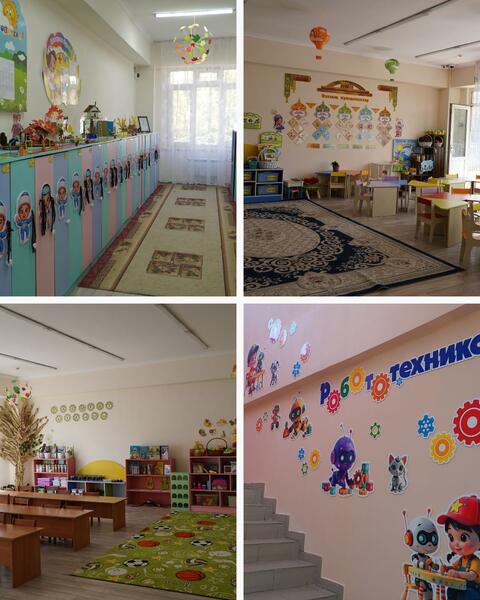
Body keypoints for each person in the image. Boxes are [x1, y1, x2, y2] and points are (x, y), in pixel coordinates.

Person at [438, 495, 480, 599]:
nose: (456, 544)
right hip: (461, 588)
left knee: (467, 595)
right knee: (451, 590)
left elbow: (472, 576)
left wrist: (457, 574)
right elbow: (455, 568)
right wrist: (447, 568)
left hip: (473, 591)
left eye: (463, 538)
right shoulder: (461, 560)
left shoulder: (475, 561)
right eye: (451, 537)